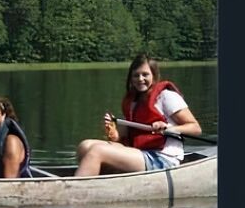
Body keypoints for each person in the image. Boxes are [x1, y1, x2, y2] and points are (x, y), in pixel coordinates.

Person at [74, 54, 202, 177]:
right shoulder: (134, 101)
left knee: (97, 151)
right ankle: (97, 179)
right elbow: (123, 135)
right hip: (140, 153)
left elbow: (195, 128)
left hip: (162, 158)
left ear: (154, 75)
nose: (140, 79)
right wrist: (113, 130)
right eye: (136, 75)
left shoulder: (167, 96)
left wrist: (168, 128)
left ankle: (77, 187)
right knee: (85, 146)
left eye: (145, 74)